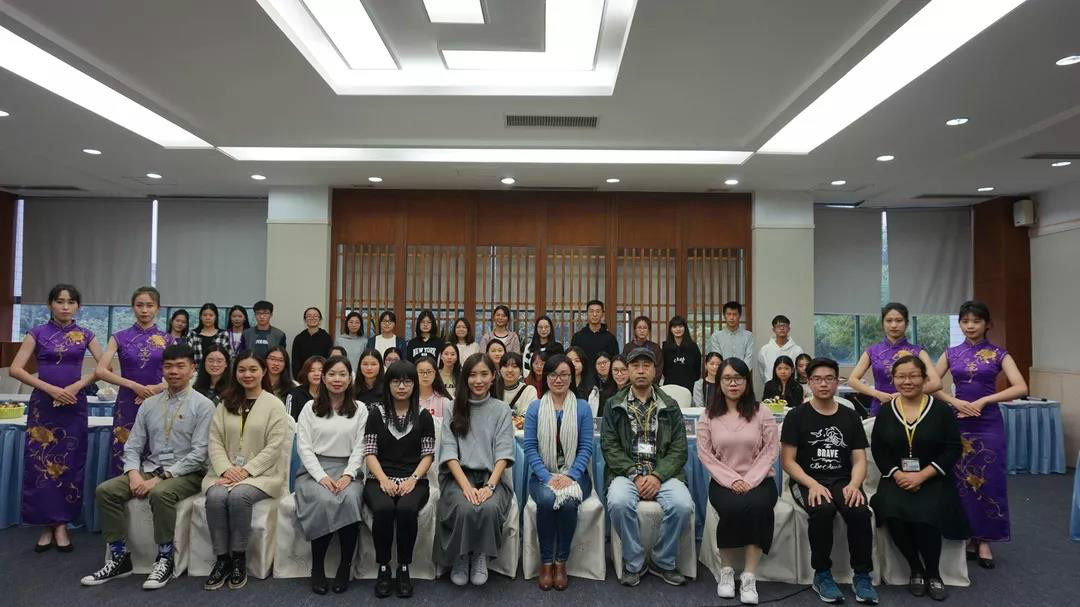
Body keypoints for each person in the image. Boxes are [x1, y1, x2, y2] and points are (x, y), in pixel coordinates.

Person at [80, 344, 214, 589]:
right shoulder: (149, 404)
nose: (174, 371)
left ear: (192, 369)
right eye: (169, 366)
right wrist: (132, 473)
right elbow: (132, 446)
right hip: (149, 468)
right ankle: (119, 557)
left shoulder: (203, 405)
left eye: (180, 366)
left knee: (161, 493)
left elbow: (199, 454)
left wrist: (160, 477)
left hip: (188, 472)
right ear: (162, 369)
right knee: (106, 490)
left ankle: (165, 558)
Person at [11, 283, 105, 552]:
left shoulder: (86, 334)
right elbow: (16, 369)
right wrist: (50, 388)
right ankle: (45, 523)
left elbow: (104, 367)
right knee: (40, 464)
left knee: (69, 463)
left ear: (78, 306)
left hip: (73, 404)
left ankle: (62, 523)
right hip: (43, 405)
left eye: (71, 302)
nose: (65, 307)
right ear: (50, 304)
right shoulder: (37, 333)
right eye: (60, 301)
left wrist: (76, 387)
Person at [934, 300, 1026, 568]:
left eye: (976, 321)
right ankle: (965, 535)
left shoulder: (999, 354)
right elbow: (931, 385)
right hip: (958, 422)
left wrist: (986, 400)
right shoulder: (951, 353)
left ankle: (984, 540)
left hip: (988, 423)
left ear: (987, 324)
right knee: (960, 480)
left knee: (989, 479)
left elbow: (1021, 387)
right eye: (965, 321)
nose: (970, 326)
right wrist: (954, 402)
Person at [871, 355, 969, 601]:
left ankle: (933, 573)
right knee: (889, 509)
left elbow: (953, 448)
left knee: (928, 512)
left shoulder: (941, 410)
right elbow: (879, 450)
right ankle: (915, 568)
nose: (907, 381)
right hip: (897, 477)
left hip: (933, 477)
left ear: (925, 379)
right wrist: (898, 474)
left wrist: (923, 475)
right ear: (893, 380)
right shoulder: (886, 411)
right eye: (901, 376)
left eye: (913, 376)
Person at [780, 357, 877, 605]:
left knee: (858, 511)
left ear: (836, 382)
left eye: (829, 379)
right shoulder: (796, 416)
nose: (823, 384)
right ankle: (822, 574)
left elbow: (859, 460)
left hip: (843, 480)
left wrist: (854, 485)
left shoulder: (850, 416)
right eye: (817, 379)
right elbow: (788, 461)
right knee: (823, 510)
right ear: (809, 382)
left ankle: (862, 575)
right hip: (807, 480)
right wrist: (812, 484)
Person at [601, 347, 693, 587]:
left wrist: (658, 475)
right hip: (626, 473)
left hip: (663, 473)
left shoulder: (670, 405)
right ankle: (634, 562)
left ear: (655, 371)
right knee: (619, 502)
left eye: (646, 366)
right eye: (635, 366)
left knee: (683, 505)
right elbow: (609, 446)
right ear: (628, 370)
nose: (641, 371)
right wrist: (634, 474)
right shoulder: (613, 404)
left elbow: (679, 449)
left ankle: (662, 560)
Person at [202, 351, 293, 591]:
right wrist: (226, 469)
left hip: (263, 475)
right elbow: (214, 440)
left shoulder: (274, 405)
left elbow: (275, 446)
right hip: (223, 472)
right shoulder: (224, 403)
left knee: (239, 496)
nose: (247, 374)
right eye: (242, 370)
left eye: (253, 369)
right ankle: (222, 559)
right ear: (235, 373)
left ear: (263, 372)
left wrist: (247, 471)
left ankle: (238, 557)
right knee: (215, 496)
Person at [698, 358, 780, 604]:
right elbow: (705, 454)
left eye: (738, 378)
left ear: (747, 382)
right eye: (727, 378)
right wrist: (733, 480)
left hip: (760, 480)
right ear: (719, 382)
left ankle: (749, 576)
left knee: (759, 506)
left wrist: (750, 479)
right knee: (732, 507)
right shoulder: (708, 415)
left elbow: (771, 450)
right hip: (723, 481)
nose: (733, 384)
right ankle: (726, 571)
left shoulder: (762, 412)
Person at [436, 353, 515, 587]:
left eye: (484, 374)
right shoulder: (452, 407)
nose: (478, 380)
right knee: (464, 507)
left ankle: (480, 555)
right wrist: (467, 487)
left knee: (489, 508)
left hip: (493, 477)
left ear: (493, 377)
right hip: (458, 476)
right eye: (472, 375)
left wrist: (490, 486)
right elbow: (449, 452)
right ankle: (461, 556)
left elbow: (504, 453)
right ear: (465, 378)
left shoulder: (501, 409)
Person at [294, 355, 369, 595]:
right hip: (314, 470)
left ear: (350, 379)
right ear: (323, 378)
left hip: (348, 469)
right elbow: (304, 447)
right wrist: (321, 477)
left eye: (343, 374)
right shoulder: (310, 408)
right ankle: (317, 567)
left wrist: (348, 475)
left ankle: (344, 566)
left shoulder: (360, 409)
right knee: (324, 499)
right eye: (332, 374)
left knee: (350, 498)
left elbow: (361, 446)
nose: (337, 379)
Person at [364, 361, 437, 598]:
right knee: (383, 509)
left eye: (407, 381)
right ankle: (384, 567)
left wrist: (412, 479)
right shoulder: (376, 414)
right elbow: (370, 453)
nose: (402, 386)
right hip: (379, 478)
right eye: (396, 381)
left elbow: (428, 455)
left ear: (415, 385)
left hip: (414, 480)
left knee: (406, 509)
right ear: (388, 384)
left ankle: (404, 567)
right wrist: (383, 479)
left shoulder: (423, 415)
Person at [523, 354, 595, 591]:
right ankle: (546, 562)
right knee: (546, 500)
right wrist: (547, 477)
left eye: (564, 374)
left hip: (576, 475)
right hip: (542, 475)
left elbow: (586, 447)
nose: (558, 379)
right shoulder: (535, 407)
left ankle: (561, 561)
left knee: (567, 503)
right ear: (546, 377)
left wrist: (570, 475)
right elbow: (530, 447)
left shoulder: (582, 408)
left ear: (572, 377)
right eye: (553, 374)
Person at [96, 286, 172, 476]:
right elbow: (101, 370)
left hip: (159, 402)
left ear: (158, 308)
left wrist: (157, 388)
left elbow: (181, 375)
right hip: (127, 402)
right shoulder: (119, 337)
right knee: (123, 449)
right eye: (139, 305)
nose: (144, 310)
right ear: (133, 307)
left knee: (157, 451)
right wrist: (134, 386)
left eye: (149, 305)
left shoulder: (168, 340)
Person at [848, 302, 943, 416]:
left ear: (906, 323)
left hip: (913, 408)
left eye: (899, 320)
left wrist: (903, 394)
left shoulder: (919, 352)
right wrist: (877, 394)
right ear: (883, 323)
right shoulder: (872, 351)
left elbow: (937, 383)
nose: (893, 325)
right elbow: (852, 380)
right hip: (881, 407)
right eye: (889, 321)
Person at [570, 300, 619, 368]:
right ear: (587, 313)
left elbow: (615, 360)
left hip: (603, 373)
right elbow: (572, 359)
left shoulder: (610, 338)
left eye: (598, 311)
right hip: (583, 373)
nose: (595, 314)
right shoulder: (577, 337)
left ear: (602, 314)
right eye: (591, 311)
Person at [757, 315, 804, 383]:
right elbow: (762, 371)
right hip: (771, 386)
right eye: (778, 326)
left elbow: (800, 370)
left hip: (792, 386)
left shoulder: (797, 350)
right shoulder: (764, 350)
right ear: (773, 329)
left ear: (789, 329)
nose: (782, 328)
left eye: (784, 326)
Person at [662, 315, 702, 392]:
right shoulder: (666, 347)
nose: (678, 329)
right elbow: (664, 369)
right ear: (670, 329)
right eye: (674, 327)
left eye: (680, 326)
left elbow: (697, 368)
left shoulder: (693, 347)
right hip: (670, 385)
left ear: (685, 328)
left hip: (689, 386)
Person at [292, 307, 333, 380]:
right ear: (305, 320)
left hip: (321, 376)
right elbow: (295, 361)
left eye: (315, 316)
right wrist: (298, 378)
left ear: (320, 320)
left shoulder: (326, 338)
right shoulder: (299, 338)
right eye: (309, 316)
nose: (312, 318)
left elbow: (329, 359)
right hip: (304, 376)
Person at [622, 315, 663, 381]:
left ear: (649, 330)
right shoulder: (628, 347)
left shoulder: (655, 347)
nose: (642, 330)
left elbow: (659, 368)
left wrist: (651, 382)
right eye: (639, 328)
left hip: (651, 382)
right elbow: (625, 367)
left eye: (645, 328)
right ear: (635, 330)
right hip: (632, 382)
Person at [191, 303, 231, 368]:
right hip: (196, 371)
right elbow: (187, 355)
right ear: (200, 317)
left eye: (211, 315)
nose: (208, 318)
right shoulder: (193, 334)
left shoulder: (223, 334)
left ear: (216, 317)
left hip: (217, 369)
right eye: (205, 315)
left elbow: (228, 355)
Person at [286, 356, 325, 420]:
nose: (316, 374)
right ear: (306, 373)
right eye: (312, 370)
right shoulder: (294, 394)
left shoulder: (331, 394)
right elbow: (289, 421)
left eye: (321, 370)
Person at [416, 356, 452, 420]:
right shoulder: (409, 400)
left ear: (435, 374)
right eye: (421, 372)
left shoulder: (444, 401)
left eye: (429, 372)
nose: (425, 375)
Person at [565, 346, 599, 415]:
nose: (573, 364)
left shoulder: (592, 389)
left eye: (577, 361)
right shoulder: (558, 385)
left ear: (583, 363)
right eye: (569, 361)